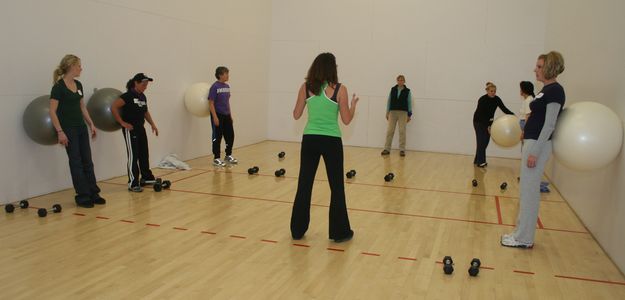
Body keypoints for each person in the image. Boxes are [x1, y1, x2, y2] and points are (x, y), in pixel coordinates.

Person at [290, 52, 359, 243]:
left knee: (304, 184)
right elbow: (346, 120)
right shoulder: (340, 89)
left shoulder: (305, 88)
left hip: (310, 139)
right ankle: (339, 232)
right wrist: (353, 106)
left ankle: (297, 230)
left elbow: (296, 115)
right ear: (332, 68)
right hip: (331, 142)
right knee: (336, 187)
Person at [502, 51, 566, 248]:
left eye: (539, 66)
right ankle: (520, 233)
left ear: (549, 68)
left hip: (538, 145)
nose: (535, 70)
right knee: (525, 191)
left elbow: (549, 125)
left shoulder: (555, 91)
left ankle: (524, 238)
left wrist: (535, 152)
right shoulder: (545, 91)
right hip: (532, 142)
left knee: (529, 193)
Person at [49, 54, 106, 208]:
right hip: (68, 130)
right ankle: (83, 196)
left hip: (81, 128)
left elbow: (82, 106)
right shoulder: (58, 88)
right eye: (79, 65)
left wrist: (91, 123)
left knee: (87, 161)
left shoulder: (78, 85)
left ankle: (93, 193)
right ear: (71, 67)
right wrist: (60, 132)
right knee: (76, 163)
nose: (81, 68)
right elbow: (52, 112)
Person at [111, 73, 158, 192]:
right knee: (133, 156)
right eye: (143, 84)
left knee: (143, 153)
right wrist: (122, 122)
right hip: (130, 130)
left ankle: (146, 178)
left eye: (147, 84)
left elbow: (145, 112)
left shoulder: (142, 96)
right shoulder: (127, 96)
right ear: (136, 83)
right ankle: (133, 183)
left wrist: (152, 124)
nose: (145, 86)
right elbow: (114, 107)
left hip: (140, 128)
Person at [472, 82, 514, 167]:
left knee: (485, 142)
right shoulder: (482, 99)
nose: (493, 93)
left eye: (494, 91)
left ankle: (477, 159)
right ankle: (481, 162)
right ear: (487, 91)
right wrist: (488, 126)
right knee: (481, 141)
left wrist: (512, 115)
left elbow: (504, 108)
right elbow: (481, 114)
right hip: (479, 122)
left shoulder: (497, 99)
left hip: (488, 123)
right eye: (491, 91)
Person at [208, 66, 237, 167]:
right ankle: (216, 158)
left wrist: (230, 115)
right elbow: (211, 103)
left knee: (230, 135)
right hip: (217, 115)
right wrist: (215, 117)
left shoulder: (227, 86)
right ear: (220, 75)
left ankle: (228, 155)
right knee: (217, 137)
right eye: (226, 73)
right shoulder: (214, 87)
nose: (228, 75)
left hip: (226, 115)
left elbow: (227, 102)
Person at [381, 75, 413, 157]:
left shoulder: (407, 91)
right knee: (390, 131)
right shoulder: (393, 89)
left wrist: (409, 114)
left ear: (404, 81)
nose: (400, 81)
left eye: (402, 80)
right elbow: (389, 101)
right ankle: (387, 149)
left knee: (402, 131)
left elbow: (409, 103)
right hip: (393, 112)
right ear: (397, 81)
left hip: (403, 113)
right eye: (399, 80)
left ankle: (402, 150)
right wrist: (387, 112)